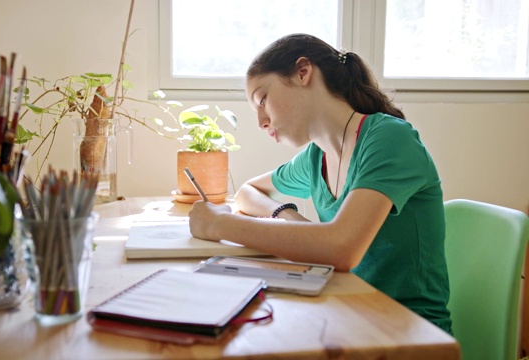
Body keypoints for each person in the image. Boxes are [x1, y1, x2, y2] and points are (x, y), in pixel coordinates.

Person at [187, 33, 452, 334]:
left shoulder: (389, 139)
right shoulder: (316, 157)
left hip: (410, 333)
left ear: (303, 72)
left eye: (262, 100)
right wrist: (289, 217)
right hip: (348, 315)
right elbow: (248, 192)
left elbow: (341, 248)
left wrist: (219, 226)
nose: (261, 121)